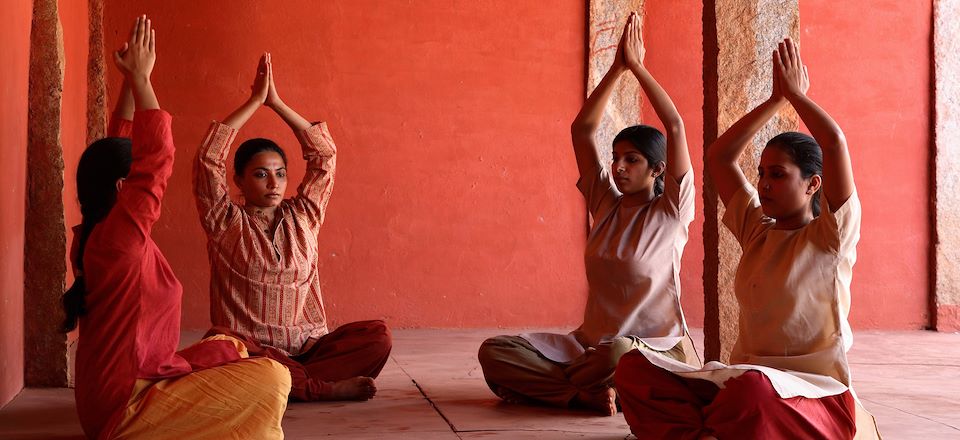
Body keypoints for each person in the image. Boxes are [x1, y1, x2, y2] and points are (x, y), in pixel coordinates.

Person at [614, 38, 880, 439]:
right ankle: (714, 427)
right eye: (761, 173)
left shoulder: (831, 236)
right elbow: (721, 156)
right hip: (743, 379)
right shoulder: (758, 231)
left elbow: (834, 144)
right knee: (633, 368)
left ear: (813, 185)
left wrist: (797, 97)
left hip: (813, 393)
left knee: (750, 395)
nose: (764, 184)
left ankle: (707, 427)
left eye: (778, 174)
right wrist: (775, 101)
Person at [62, 16, 290, 439]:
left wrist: (131, 80)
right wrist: (144, 80)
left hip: (121, 393)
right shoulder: (119, 238)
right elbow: (155, 158)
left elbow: (122, 144)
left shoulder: (100, 231)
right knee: (273, 379)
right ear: (121, 186)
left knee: (232, 347)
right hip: (124, 411)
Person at [477, 13, 697, 416]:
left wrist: (639, 69)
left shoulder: (671, 212)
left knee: (618, 356)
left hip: (652, 347)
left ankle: (561, 387)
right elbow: (582, 130)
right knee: (495, 352)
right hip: (590, 345)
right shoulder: (606, 204)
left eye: (632, 160)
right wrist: (615, 70)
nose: (619, 168)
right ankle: (582, 394)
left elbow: (676, 127)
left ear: (658, 169)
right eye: (616, 159)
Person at [194, 53, 392, 402]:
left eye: (280, 173)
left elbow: (324, 157)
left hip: (306, 349)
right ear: (237, 179)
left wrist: (277, 103)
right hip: (253, 351)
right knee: (224, 349)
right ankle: (314, 388)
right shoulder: (224, 222)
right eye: (260, 174)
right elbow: (209, 158)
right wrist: (254, 102)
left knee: (377, 337)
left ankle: (290, 385)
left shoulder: (305, 216)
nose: (274, 183)